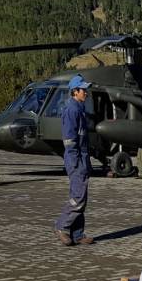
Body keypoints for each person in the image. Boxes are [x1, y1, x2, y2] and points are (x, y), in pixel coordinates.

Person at [54, 74, 95, 246]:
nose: (86, 93)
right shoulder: (71, 110)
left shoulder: (79, 108)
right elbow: (70, 141)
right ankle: (61, 226)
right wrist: (76, 162)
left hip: (82, 160)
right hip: (76, 160)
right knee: (78, 198)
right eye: (83, 90)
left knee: (81, 197)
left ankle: (77, 234)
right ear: (75, 92)